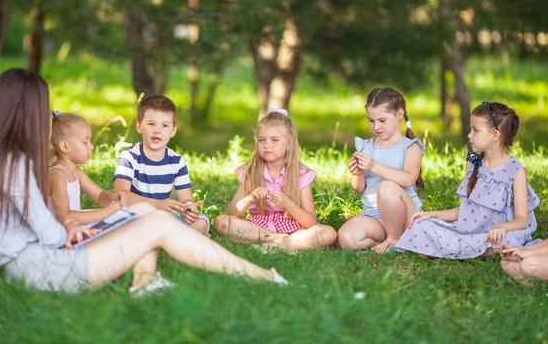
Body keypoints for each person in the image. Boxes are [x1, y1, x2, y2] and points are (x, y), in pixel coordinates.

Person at [0, 69, 287, 293]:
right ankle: (265, 277)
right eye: (42, 107)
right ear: (27, 112)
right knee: (158, 224)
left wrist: (97, 223)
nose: (47, 116)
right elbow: (51, 235)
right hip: (44, 269)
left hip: (41, 257)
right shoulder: (13, 164)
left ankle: (144, 283)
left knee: (147, 215)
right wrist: (91, 225)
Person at [395, 101, 541, 259]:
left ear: (495, 135)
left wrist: (502, 226)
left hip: (499, 234)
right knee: (421, 224)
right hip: (469, 231)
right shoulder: (473, 163)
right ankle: (464, 250)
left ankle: (451, 250)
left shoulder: (516, 171)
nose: (469, 135)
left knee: (507, 240)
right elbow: (467, 212)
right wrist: (433, 215)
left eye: (475, 130)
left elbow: (522, 220)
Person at [48, 111, 166, 293]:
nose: (91, 147)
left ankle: (143, 274)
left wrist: (112, 198)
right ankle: (137, 275)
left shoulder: (76, 173)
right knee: (129, 224)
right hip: (67, 234)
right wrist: (106, 213)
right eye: (85, 142)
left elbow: (100, 196)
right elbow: (64, 216)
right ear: (64, 146)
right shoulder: (57, 174)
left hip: (78, 224)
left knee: (136, 216)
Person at [213, 109, 337, 252]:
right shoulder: (251, 171)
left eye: (274, 140)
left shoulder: (300, 174)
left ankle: (272, 244)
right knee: (221, 222)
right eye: (262, 140)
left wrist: (287, 204)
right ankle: (280, 241)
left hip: (294, 229)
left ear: (289, 143)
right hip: (259, 228)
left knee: (328, 233)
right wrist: (250, 198)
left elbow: (310, 222)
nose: (267, 145)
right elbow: (232, 213)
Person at [337, 87, 425, 254]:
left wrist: (374, 166)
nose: (376, 126)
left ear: (399, 114)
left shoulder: (409, 147)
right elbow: (359, 188)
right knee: (345, 238)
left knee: (387, 187)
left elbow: (408, 179)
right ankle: (388, 242)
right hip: (374, 217)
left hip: (405, 217)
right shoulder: (366, 146)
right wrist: (357, 172)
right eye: (371, 121)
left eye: (382, 120)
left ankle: (394, 239)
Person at [113, 95, 209, 234]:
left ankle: (163, 237)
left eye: (165, 125)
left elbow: (186, 198)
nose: (157, 130)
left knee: (201, 222)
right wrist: (157, 204)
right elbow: (121, 193)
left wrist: (188, 209)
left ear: (173, 131)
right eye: (151, 124)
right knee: (124, 225)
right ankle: (165, 238)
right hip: (133, 216)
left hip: (162, 216)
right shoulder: (130, 157)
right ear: (139, 126)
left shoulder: (176, 161)